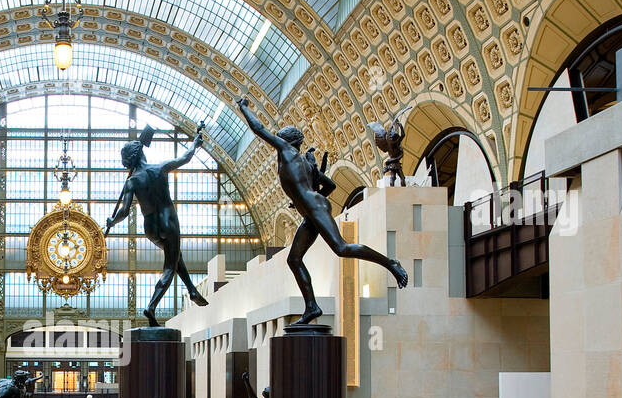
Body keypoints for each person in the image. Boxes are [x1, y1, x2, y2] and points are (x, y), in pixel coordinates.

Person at [236, 98, 408, 326]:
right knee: (294, 259)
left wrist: (244, 108)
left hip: (313, 207)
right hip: (311, 210)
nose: (276, 140)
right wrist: (310, 198)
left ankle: (391, 263)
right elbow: (330, 186)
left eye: (279, 137)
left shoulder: (287, 151)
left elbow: (258, 129)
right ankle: (311, 307)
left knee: (342, 248)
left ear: (287, 141)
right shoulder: (306, 164)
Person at [105, 124, 210, 326]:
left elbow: (124, 212)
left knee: (175, 256)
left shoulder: (131, 182)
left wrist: (112, 221)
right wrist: (195, 144)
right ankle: (152, 306)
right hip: (168, 221)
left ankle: (192, 290)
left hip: (150, 227)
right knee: (170, 265)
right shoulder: (159, 169)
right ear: (141, 153)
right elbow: (185, 158)